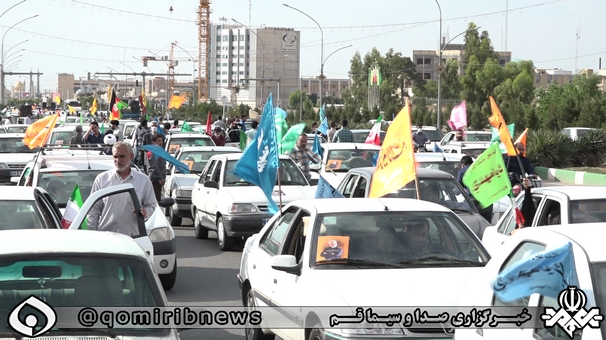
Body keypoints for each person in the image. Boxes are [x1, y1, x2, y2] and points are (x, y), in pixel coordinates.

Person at [88, 142, 157, 236]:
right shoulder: (102, 179)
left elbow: (151, 204)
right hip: (106, 237)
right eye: (115, 157)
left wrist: (145, 213)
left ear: (131, 156)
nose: (118, 160)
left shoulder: (143, 180)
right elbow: (94, 210)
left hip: (132, 239)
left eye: (122, 156)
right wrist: (93, 234)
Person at [148, 133, 166, 202]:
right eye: (159, 141)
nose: (161, 143)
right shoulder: (153, 152)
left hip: (158, 180)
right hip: (155, 180)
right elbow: (154, 166)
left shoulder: (159, 151)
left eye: (161, 141)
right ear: (153, 142)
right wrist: (160, 178)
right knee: (155, 202)